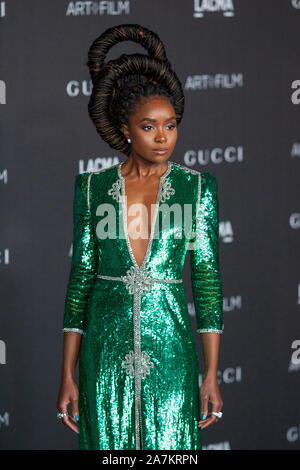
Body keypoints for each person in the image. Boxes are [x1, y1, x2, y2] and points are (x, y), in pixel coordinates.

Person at [56, 23, 224, 451]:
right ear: (127, 129)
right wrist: (68, 375)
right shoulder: (91, 188)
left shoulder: (197, 188)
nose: (163, 136)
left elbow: (205, 281)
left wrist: (211, 373)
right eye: (149, 127)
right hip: (104, 351)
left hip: (170, 352)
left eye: (171, 125)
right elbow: (80, 281)